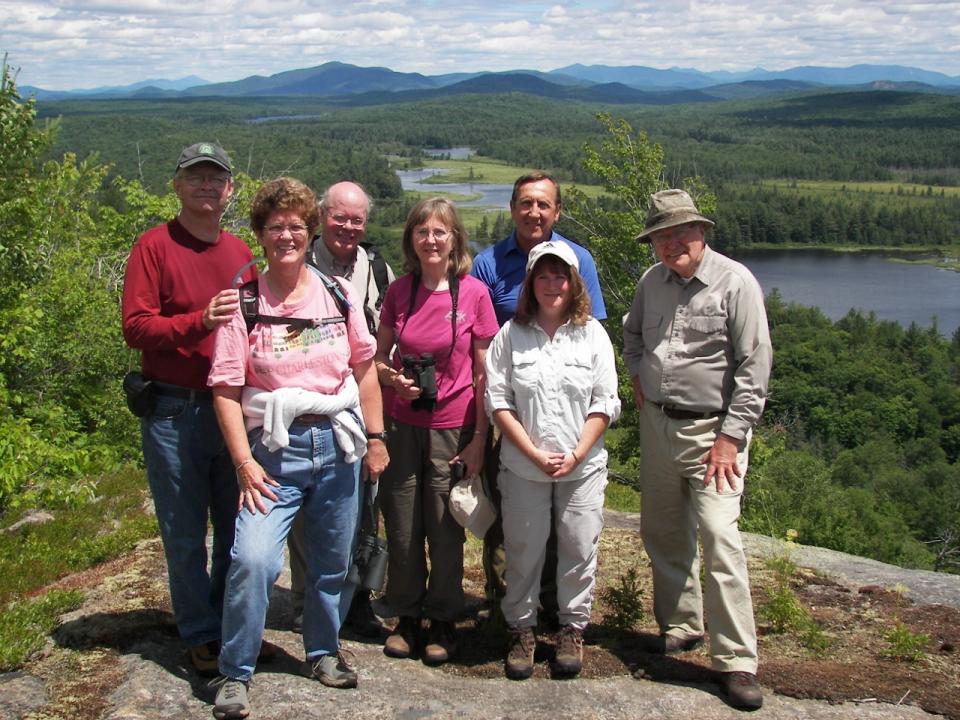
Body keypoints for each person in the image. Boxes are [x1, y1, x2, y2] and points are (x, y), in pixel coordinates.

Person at [207, 177, 389, 719]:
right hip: (273, 451)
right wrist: (243, 463)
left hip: (336, 445)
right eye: (275, 226)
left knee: (333, 563)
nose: (286, 235)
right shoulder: (244, 303)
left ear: (309, 233)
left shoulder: (336, 295)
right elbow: (224, 387)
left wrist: (375, 439)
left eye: (296, 226)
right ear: (260, 235)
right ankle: (235, 671)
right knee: (254, 561)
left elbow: (365, 370)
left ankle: (322, 650)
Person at [622, 189, 772, 711]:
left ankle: (736, 661)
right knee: (662, 531)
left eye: (679, 232)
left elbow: (754, 368)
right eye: (661, 236)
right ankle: (682, 627)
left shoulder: (736, 283)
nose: (670, 244)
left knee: (719, 537)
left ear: (701, 232)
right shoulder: (651, 282)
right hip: (658, 427)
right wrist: (638, 372)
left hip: (715, 435)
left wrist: (731, 437)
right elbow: (633, 334)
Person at [121, 142, 260, 676]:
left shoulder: (240, 250)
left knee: (235, 526)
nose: (206, 186)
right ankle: (199, 633)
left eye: (215, 178)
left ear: (228, 190)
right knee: (183, 531)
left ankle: (230, 625)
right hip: (174, 410)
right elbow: (136, 326)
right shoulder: (154, 246)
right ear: (176, 186)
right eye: (195, 177)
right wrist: (197, 322)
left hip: (232, 408)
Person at [471, 171, 608, 626]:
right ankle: (509, 609)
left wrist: (579, 448)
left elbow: (595, 356)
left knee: (571, 534)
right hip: (508, 410)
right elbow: (478, 340)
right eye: (526, 203)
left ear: (557, 211)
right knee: (514, 526)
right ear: (513, 208)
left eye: (543, 204)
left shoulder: (579, 260)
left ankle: (559, 615)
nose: (534, 212)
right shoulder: (489, 263)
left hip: (569, 423)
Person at [484, 240, 620, 680]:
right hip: (524, 467)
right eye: (542, 275)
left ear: (574, 281)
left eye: (559, 275)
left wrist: (578, 453)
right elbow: (497, 401)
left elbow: (606, 402)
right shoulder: (511, 335)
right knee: (523, 552)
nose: (551, 284)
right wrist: (533, 452)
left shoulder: (593, 334)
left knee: (579, 548)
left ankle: (571, 629)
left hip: (583, 469)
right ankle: (522, 630)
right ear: (530, 283)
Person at [374, 197, 499, 666]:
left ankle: (444, 616)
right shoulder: (398, 292)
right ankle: (407, 615)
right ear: (411, 239)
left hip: (455, 425)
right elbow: (378, 362)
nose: (431, 239)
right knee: (403, 523)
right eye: (422, 231)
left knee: (447, 528)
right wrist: (395, 381)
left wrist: (480, 439)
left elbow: (485, 374)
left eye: (440, 232)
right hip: (403, 425)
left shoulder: (473, 294)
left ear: (455, 240)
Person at [286, 180, 396, 637]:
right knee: (305, 509)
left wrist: (386, 372)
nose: (348, 227)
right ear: (320, 218)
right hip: (305, 403)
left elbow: (386, 335)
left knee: (361, 507)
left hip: (361, 399)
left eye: (356, 220)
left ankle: (355, 601)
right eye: (339, 217)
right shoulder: (297, 260)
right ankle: (304, 600)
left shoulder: (376, 267)